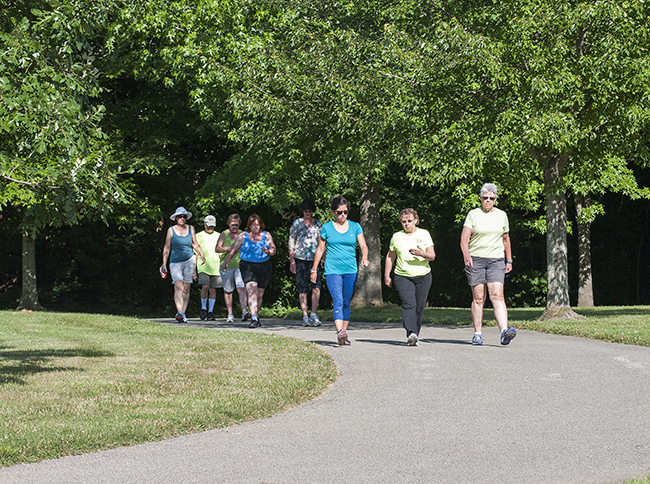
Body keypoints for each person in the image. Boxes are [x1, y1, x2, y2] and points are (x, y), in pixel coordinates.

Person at [460, 183, 517, 346]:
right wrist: (466, 255)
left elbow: (506, 239)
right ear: (480, 198)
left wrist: (509, 260)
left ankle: (504, 332)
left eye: (491, 198)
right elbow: (464, 238)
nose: (488, 201)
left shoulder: (502, 215)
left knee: (497, 295)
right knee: (478, 297)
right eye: (485, 198)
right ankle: (477, 334)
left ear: (495, 199)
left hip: (496, 259)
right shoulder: (473, 214)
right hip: (476, 259)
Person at [311, 197, 369, 345]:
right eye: (339, 212)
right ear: (333, 212)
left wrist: (365, 257)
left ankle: (343, 334)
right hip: (332, 269)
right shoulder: (327, 227)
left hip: (350, 269)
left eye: (345, 212)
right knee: (338, 300)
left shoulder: (355, 226)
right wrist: (314, 269)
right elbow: (320, 249)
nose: (343, 215)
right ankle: (340, 331)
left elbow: (363, 245)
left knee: (346, 302)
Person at [384, 208, 436, 346]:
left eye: (409, 221)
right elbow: (390, 256)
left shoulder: (424, 234)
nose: (407, 224)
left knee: (419, 307)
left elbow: (432, 255)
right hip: (403, 275)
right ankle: (411, 332)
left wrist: (422, 254)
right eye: (403, 222)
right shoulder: (396, 236)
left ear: (416, 220)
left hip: (423, 275)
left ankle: (414, 335)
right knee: (409, 304)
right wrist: (386, 275)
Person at [220, 214, 276, 328]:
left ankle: (255, 314)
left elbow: (273, 249)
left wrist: (269, 252)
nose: (256, 227)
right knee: (251, 290)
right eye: (253, 225)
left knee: (260, 294)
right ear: (249, 226)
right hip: (248, 266)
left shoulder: (267, 235)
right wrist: (225, 263)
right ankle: (254, 318)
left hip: (264, 266)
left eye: (258, 224)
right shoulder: (243, 236)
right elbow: (233, 251)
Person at [160, 206, 205, 323]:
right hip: (175, 261)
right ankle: (179, 311)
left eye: (184, 217)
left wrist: (201, 254)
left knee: (186, 287)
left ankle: (183, 313)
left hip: (189, 260)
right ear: (176, 218)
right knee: (178, 285)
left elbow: (195, 243)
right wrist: (163, 264)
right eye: (180, 217)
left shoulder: (191, 228)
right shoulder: (171, 230)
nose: (182, 219)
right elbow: (167, 247)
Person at [289, 198, 323, 327]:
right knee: (302, 287)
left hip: (314, 259)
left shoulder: (317, 224)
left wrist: (323, 257)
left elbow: (321, 242)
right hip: (300, 258)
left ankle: (313, 314)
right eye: (305, 211)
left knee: (316, 287)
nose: (307, 213)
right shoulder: (297, 223)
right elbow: (291, 242)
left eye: (309, 211)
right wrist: (292, 261)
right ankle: (305, 315)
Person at [215, 214, 249, 323]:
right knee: (228, 290)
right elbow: (217, 249)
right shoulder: (224, 234)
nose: (234, 227)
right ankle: (230, 314)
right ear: (229, 224)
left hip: (240, 265)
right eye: (232, 225)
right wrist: (228, 248)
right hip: (227, 266)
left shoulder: (243, 234)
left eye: (236, 225)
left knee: (241, 288)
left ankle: (244, 311)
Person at [195, 215, 222, 321]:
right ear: (204, 225)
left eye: (212, 226)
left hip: (216, 266)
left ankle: (210, 311)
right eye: (209, 226)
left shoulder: (219, 235)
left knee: (213, 289)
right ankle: (203, 309)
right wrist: (194, 270)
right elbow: (195, 252)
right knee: (205, 287)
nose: (211, 228)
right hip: (203, 266)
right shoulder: (198, 236)